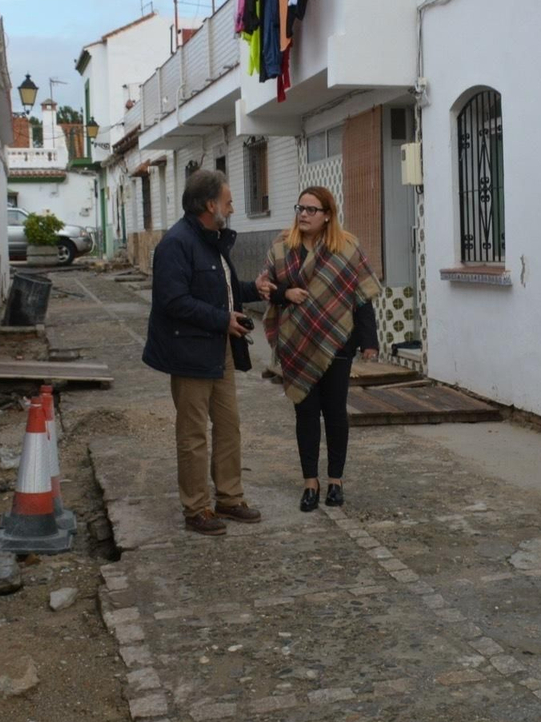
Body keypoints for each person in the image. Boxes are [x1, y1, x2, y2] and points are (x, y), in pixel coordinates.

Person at [142, 170, 263, 536]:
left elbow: (221, 290)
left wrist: (254, 289)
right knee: (193, 433)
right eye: (227, 200)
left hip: (219, 348)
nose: (232, 206)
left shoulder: (212, 241)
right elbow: (173, 300)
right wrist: (222, 319)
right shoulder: (176, 244)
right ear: (210, 205)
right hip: (189, 352)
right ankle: (196, 508)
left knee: (228, 427)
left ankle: (229, 497)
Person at [255, 186, 382, 512]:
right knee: (305, 412)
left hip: (338, 341)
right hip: (296, 342)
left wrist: (369, 341)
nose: (304, 214)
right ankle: (310, 482)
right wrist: (286, 294)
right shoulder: (283, 247)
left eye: (312, 210)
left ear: (327, 215)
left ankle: (335, 481)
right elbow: (265, 288)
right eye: (301, 208)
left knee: (336, 412)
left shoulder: (347, 248)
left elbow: (362, 298)